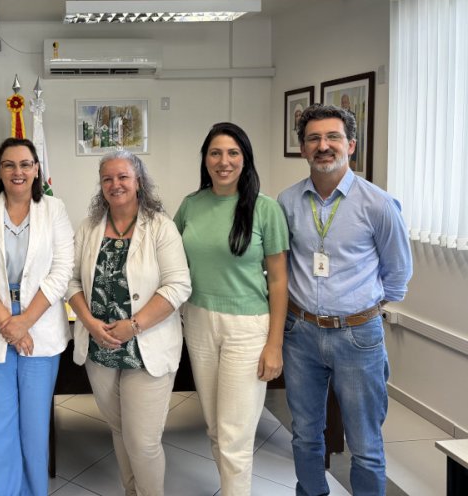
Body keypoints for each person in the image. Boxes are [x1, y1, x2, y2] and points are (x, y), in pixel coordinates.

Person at [278, 104, 412, 496]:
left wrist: (363, 310)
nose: (323, 146)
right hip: (300, 334)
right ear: (303, 148)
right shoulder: (286, 202)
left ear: (351, 145)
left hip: (358, 336)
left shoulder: (378, 204)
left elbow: (398, 273)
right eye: (314, 139)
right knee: (305, 434)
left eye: (333, 137)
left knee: (365, 444)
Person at [67, 150, 191, 496]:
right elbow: (71, 281)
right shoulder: (89, 227)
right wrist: (90, 322)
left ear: (139, 182)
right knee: (120, 430)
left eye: (123, 177)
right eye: (107, 178)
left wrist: (133, 326)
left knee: (143, 442)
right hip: (100, 346)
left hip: (145, 347)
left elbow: (178, 286)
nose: (115, 184)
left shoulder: (160, 227)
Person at [174, 122, 289, 496]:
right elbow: (170, 261)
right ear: (205, 159)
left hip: (247, 327)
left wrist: (274, 345)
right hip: (198, 322)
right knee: (215, 428)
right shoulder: (191, 205)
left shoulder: (266, 209)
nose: (224, 161)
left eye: (233, 153)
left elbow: (278, 282)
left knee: (234, 434)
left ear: (245, 159)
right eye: (216, 153)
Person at [0, 137, 74, 496]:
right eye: (9, 164)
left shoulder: (54, 210)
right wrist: (8, 322)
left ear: (36, 169)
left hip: (40, 323)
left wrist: (24, 322)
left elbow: (62, 270)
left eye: (25, 164)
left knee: (34, 426)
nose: (17, 171)